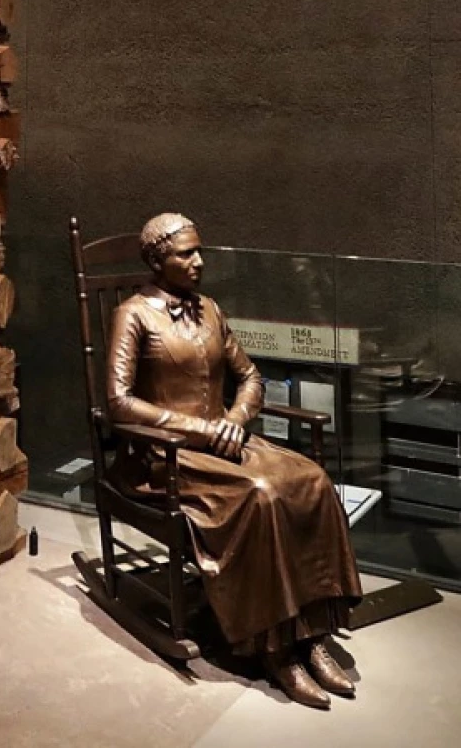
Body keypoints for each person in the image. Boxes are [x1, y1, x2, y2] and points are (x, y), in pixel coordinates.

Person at [104, 212, 365, 709]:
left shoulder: (210, 309)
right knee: (261, 496)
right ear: (158, 260)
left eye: (199, 250)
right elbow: (118, 402)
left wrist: (236, 419)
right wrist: (203, 429)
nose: (199, 261)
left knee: (311, 480)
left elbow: (250, 377)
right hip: (167, 456)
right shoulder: (133, 315)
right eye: (186, 253)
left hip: (225, 440)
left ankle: (312, 633)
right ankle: (275, 649)